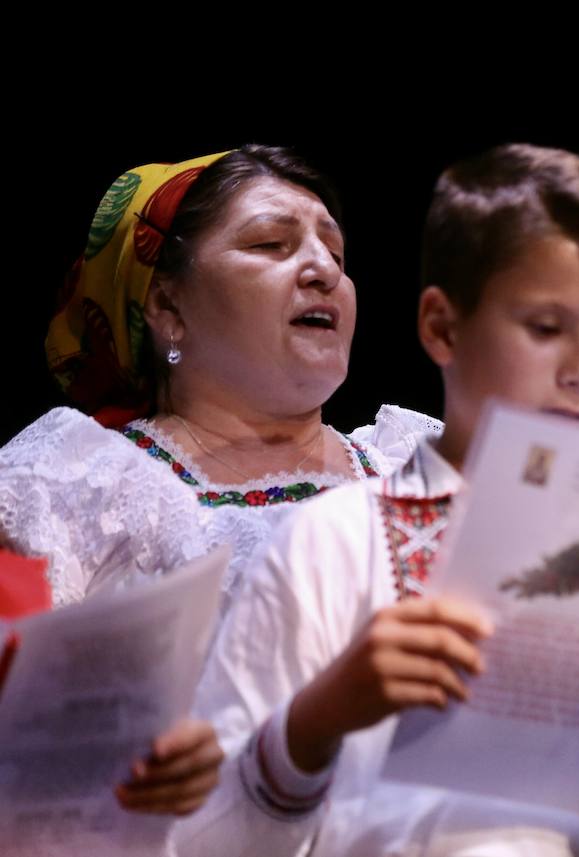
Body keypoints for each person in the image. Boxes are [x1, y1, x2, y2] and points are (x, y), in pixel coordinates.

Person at [176, 144, 579, 857]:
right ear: (442, 326)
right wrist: (316, 721)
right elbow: (199, 839)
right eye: (546, 329)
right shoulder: (334, 539)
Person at [0, 147, 435, 819]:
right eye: (272, 244)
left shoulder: (418, 462)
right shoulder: (78, 482)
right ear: (169, 307)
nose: (322, 269)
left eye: (337, 255)